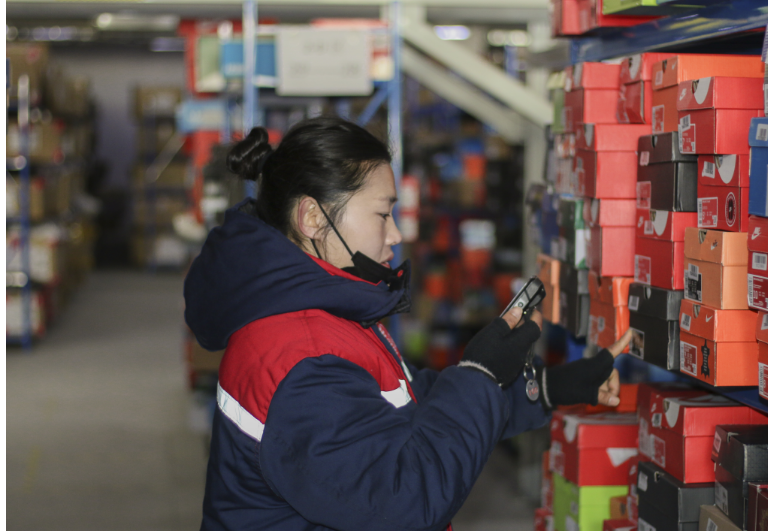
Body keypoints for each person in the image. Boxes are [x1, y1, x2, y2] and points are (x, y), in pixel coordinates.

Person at [184, 117, 633, 531]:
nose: (396, 235)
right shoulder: (302, 357)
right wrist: (479, 375)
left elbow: (409, 408)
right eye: (383, 214)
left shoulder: (322, 316)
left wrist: (543, 388)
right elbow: (402, 501)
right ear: (313, 219)